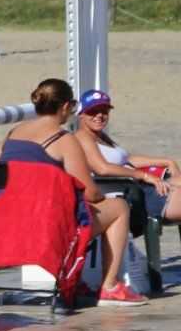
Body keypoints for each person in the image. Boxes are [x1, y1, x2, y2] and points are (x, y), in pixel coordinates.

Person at [0, 79, 138, 305]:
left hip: (4, 227)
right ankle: (109, 286)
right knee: (119, 207)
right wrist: (102, 196)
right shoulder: (64, 139)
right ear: (66, 107)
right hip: (47, 232)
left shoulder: (13, 133)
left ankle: (74, 280)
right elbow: (89, 192)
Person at [71, 88, 181, 296]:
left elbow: (127, 158)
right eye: (94, 112)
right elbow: (102, 168)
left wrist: (165, 161)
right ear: (82, 114)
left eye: (104, 111)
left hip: (139, 186)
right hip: (133, 194)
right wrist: (145, 176)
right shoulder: (83, 138)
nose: (100, 116)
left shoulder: (101, 137)